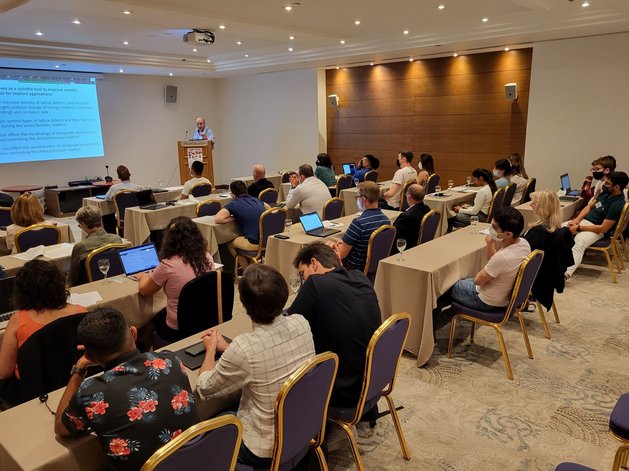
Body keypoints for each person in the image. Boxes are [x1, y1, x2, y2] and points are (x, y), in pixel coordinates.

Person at [196, 264, 314, 467]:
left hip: (264, 448)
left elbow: (204, 387)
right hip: (303, 426)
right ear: (284, 294)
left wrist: (211, 348)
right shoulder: (301, 322)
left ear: (243, 304)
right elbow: (269, 355)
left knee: (214, 421)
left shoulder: (244, 348)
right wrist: (231, 349)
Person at [55, 308, 199, 471]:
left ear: (92, 357)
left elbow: (60, 428)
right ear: (133, 333)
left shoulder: (91, 393)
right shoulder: (170, 359)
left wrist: (80, 368)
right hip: (198, 462)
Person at [287, 243, 380, 407]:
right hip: (372, 381)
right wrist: (338, 262)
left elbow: (290, 326)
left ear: (314, 263)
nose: (304, 280)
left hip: (341, 391)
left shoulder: (315, 283)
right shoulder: (360, 278)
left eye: (303, 274)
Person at [0, 260, 86, 395]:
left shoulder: (18, 320)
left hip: (34, 390)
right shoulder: (81, 312)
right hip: (77, 382)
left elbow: (4, 372)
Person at [138, 216, 215, 342]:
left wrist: (144, 276)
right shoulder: (206, 257)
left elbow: (144, 291)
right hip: (204, 318)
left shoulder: (168, 264)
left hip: (178, 328)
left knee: (151, 318)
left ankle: (144, 348)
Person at [447, 207, 531, 311]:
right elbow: (495, 264)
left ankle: (432, 322)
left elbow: (478, 280)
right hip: (502, 296)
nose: (491, 230)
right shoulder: (524, 243)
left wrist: (490, 243)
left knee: (446, 286)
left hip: (486, 301)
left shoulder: (502, 258)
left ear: (508, 234)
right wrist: (490, 244)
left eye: (494, 228)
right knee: (463, 279)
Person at [565, 171, 628, 278]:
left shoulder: (617, 204)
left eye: (608, 183)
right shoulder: (606, 193)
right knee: (558, 229)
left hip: (596, 230)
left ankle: (566, 274)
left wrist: (579, 228)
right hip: (583, 223)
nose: (604, 184)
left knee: (579, 242)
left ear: (617, 187)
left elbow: (603, 228)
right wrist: (577, 220)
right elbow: (589, 207)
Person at [523, 190, 574, 310]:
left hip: (534, 277)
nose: (530, 205)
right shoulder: (554, 228)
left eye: (534, 203)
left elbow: (521, 253)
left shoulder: (539, 232)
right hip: (545, 276)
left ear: (543, 208)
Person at [328, 181, 390, 271]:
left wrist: (331, 246)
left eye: (357, 197)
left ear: (363, 200)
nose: (357, 200)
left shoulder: (358, 223)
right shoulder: (386, 220)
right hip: (374, 269)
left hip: (353, 269)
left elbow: (341, 254)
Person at [216, 180, 269, 264]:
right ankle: (251, 266)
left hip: (254, 243)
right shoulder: (256, 200)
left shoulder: (234, 203)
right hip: (267, 240)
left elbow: (218, 219)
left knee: (229, 241)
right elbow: (269, 209)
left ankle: (246, 270)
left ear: (232, 195)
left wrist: (234, 218)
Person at [67, 206, 123, 287]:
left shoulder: (80, 247)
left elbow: (72, 279)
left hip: (90, 286)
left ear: (83, 224)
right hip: (116, 283)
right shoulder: (117, 239)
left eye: (79, 225)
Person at [392, 183, 431, 252]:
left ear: (409, 197)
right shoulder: (428, 209)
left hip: (407, 249)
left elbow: (393, 234)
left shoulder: (406, 216)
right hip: (423, 245)